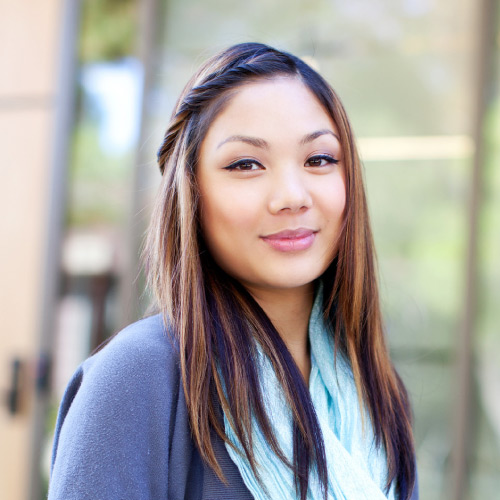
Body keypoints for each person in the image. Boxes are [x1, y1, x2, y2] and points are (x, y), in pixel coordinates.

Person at [48, 42, 418, 500]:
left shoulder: (373, 390)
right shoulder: (138, 379)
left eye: (319, 159)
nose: (291, 195)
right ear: (192, 193)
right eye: (246, 164)